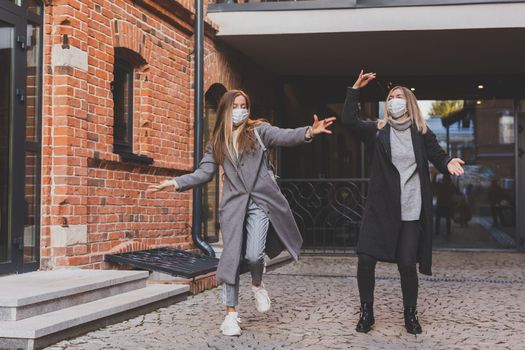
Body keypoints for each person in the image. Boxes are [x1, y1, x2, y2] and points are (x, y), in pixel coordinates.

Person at [147, 90, 335, 336]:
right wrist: (174, 183)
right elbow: (204, 173)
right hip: (234, 208)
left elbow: (284, 136)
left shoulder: (258, 131)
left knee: (255, 255)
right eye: (235, 105)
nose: (240, 109)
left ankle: (257, 284)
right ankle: (231, 315)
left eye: (244, 105)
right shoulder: (217, 142)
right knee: (231, 260)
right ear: (226, 109)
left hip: (260, 203)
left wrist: (309, 132)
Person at [342, 71, 464, 334]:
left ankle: (410, 314)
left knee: (407, 264)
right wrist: (355, 89)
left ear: (408, 102)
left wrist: (448, 163)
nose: (394, 100)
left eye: (399, 97)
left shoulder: (421, 132)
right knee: (365, 259)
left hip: (411, 208)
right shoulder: (378, 131)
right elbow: (349, 120)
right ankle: (367, 312)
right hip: (381, 209)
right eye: (390, 97)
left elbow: (438, 155)